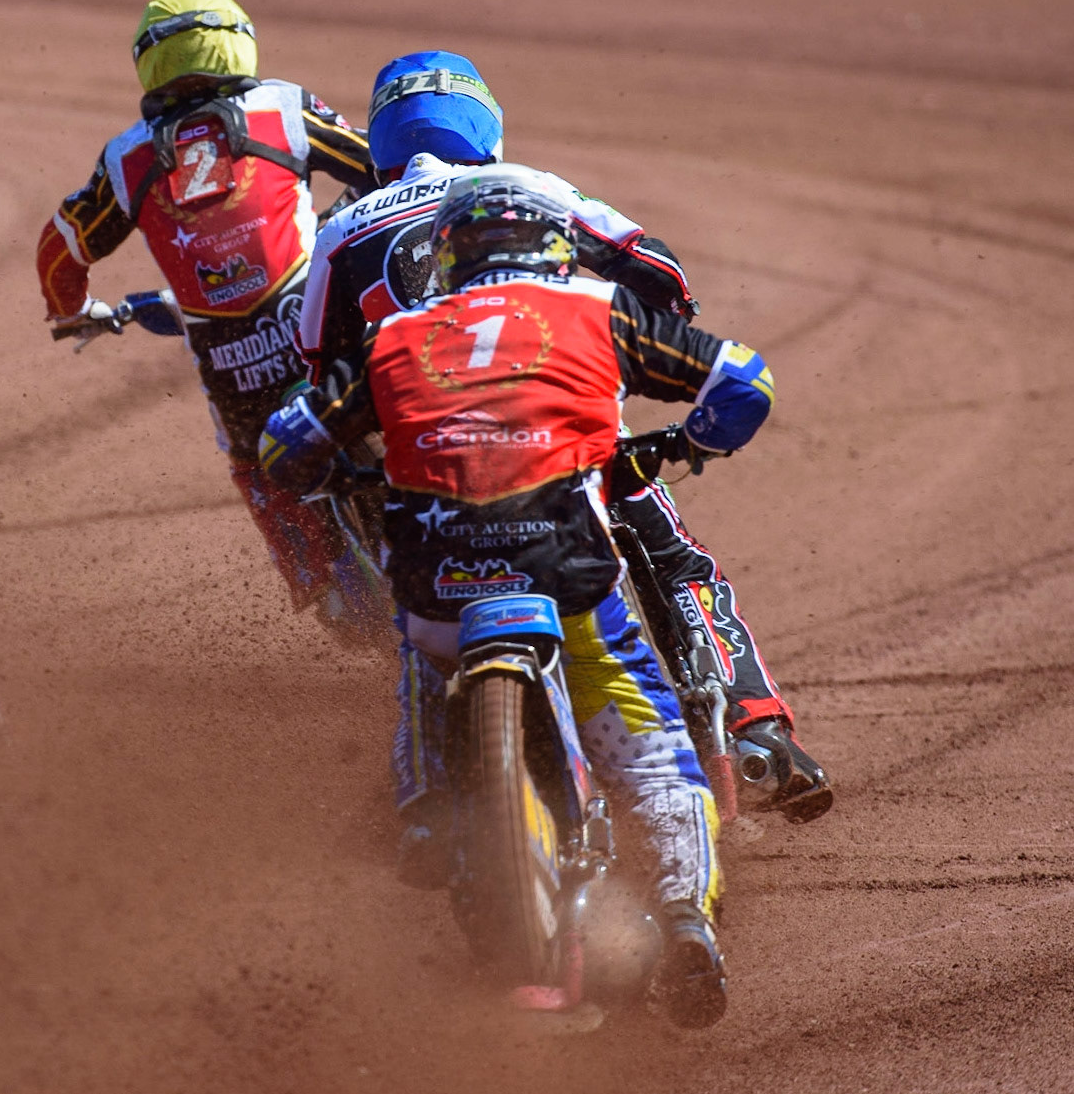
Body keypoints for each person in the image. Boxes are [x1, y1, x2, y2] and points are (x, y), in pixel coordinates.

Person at [260, 163, 780, 1028]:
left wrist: (335, 469)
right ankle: (686, 914)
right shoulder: (596, 310)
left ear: (450, 253)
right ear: (554, 244)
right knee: (651, 754)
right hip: (564, 563)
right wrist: (674, 448)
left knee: (424, 665)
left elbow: (288, 441)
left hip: (440, 573)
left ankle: (429, 810)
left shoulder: (398, 336)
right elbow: (743, 379)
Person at [298, 51, 830, 822]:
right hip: (564, 438)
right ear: (484, 126)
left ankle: (430, 780)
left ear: (378, 138)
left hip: (423, 459)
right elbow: (663, 275)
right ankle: (755, 732)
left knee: (410, 601)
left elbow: (319, 365)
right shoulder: (534, 191)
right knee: (669, 554)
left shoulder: (341, 230)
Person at [34, 0, 388, 643]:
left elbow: (60, 248)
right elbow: (378, 162)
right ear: (236, 41)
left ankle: (322, 580)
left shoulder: (126, 157)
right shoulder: (280, 106)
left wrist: (72, 310)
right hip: (317, 328)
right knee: (399, 389)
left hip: (233, 369)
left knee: (251, 463)